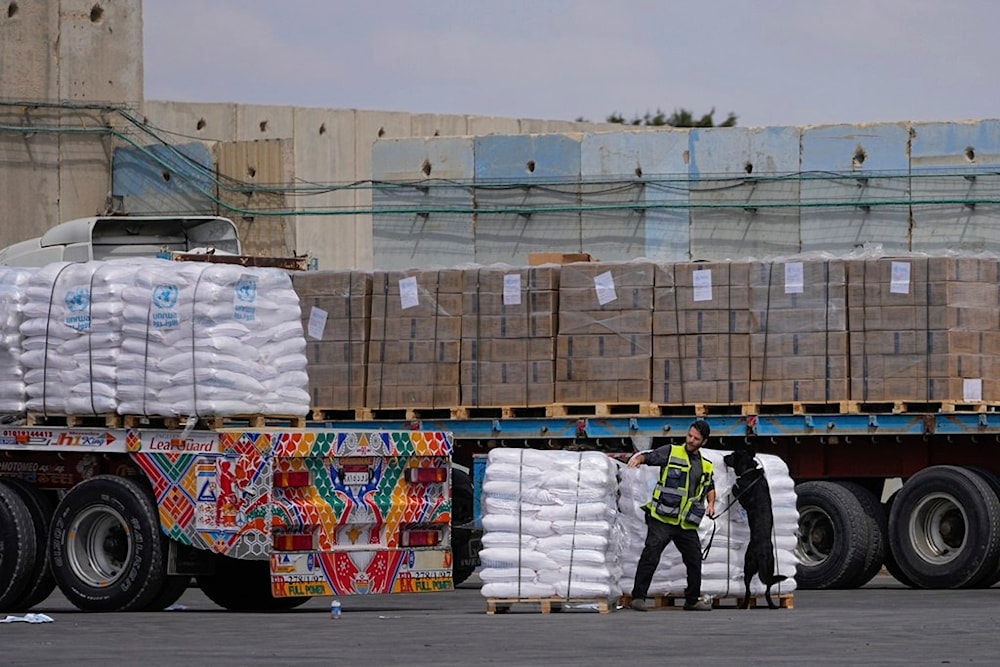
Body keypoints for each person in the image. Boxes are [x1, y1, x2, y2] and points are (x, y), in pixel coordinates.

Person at [627, 418, 716, 611]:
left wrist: (711, 503)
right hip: (663, 517)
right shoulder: (672, 451)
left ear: (704, 442)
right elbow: (650, 456)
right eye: (690, 436)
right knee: (651, 553)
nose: (691, 440)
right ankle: (638, 597)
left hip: (685, 522)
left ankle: (692, 600)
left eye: (696, 438)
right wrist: (639, 459)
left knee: (694, 559)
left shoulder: (706, 465)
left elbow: (709, 485)